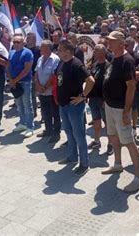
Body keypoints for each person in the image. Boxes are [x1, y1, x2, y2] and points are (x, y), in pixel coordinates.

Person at [102, 31, 139, 193]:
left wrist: (127, 111)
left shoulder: (127, 60)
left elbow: (131, 86)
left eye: (112, 41)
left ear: (121, 43)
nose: (109, 43)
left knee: (129, 142)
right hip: (110, 106)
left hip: (120, 109)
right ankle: (117, 164)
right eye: (109, 40)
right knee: (113, 136)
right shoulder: (114, 57)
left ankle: (137, 178)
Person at [55, 39, 95, 176]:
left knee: (79, 135)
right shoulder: (61, 62)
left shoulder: (77, 64)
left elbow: (90, 80)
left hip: (74, 106)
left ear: (68, 51)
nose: (57, 51)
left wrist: (83, 96)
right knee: (68, 132)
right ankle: (72, 157)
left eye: (60, 49)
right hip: (63, 105)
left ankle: (84, 163)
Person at [87, 44, 112, 154]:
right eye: (95, 51)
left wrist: (106, 100)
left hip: (103, 99)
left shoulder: (108, 66)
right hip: (93, 98)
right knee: (96, 121)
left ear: (103, 53)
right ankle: (97, 141)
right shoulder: (94, 65)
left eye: (97, 51)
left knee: (107, 123)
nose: (94, 53)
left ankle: (111, 144)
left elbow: (110, 84)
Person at [35, 40, 61, 143]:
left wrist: (45, 87)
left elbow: (53, 75)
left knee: (55, 112)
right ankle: (48, 129)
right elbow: (36, 73)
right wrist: (37, 85)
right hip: (42, 92)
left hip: (51, 92)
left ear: (48, 49)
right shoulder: (40, 59)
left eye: (42, 47)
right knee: (45, 112)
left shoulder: (55, 59)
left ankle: (56, 132)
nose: (40, 49)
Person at [7, 33, 34, 135]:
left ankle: (30, 127)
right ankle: (22, 123)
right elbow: (8, 67)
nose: (16, 44)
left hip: (25, 82)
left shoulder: (28, 53)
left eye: (18, 42)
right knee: (19, 104)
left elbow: (26, 70)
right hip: (15, 83)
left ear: (23, 43)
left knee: (27, 105)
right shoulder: (12, 52)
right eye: (14, 42)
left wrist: (15, 80)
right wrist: (10, 80)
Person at [26, 32, 41, 118]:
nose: (27, 40)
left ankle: (44, 114)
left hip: (37, 75)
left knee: (40, 95)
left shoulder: (38, 50)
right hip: (27, 76)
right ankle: (33, 112)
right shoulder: (25, 49)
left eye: (29, 38)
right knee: (31, 96)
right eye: (27, 38)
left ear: (34, 39)